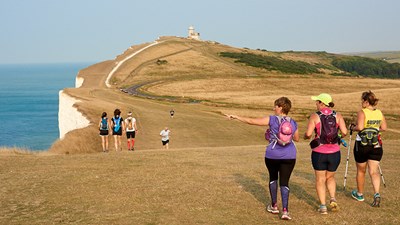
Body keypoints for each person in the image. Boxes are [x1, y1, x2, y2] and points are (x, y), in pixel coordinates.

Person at [226, 97, 299, 220]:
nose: (273, 108)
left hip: (272, 154)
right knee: (285, 182)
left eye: (275, 106)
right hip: (290, 155)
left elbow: (251, 121)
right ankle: (285, 211)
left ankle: (274, 206)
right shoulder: (293, 122)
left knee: (273, 178)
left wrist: (236, 117)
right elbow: (296, 138)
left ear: (281, 107)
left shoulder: (271, 119)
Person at [304, 93, 347, 214]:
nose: (316, 104)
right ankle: (332, 198)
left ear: (322, 103)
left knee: (320, 179)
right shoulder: (337, 115)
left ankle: (323, 206)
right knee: (331, 177)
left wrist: (307, 137)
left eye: (317, 101)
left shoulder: (315, 116)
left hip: (319, 152)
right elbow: (344, 131)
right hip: (335, 153)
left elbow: (308, 134)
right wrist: (337, 137)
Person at [351, 91, 387, 207]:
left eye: (363, 100)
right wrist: (374, 130)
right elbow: (384, 128)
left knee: (361, 170)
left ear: (366, 102)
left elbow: (360, 127)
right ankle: (376, 194)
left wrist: (353, 127)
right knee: (374, 171)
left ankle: (360, 194)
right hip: (376, 144)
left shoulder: (362, 112)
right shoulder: (379, 113)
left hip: (362, 144)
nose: (361, 102)